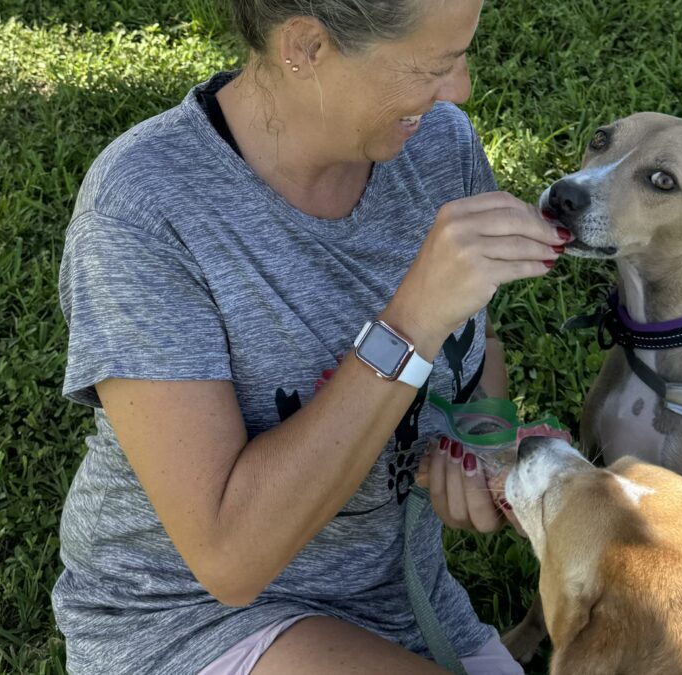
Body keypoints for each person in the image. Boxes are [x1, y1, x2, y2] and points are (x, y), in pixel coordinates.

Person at [53, 0, 567, 672]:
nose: (460, 89)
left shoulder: (442, 148)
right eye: (434, 66)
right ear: (306, 47)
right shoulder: (147, 208)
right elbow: (229, 559)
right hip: (191, 614)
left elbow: (477, 343)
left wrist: (479, 438)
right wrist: (410, 320)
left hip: (399, 596)